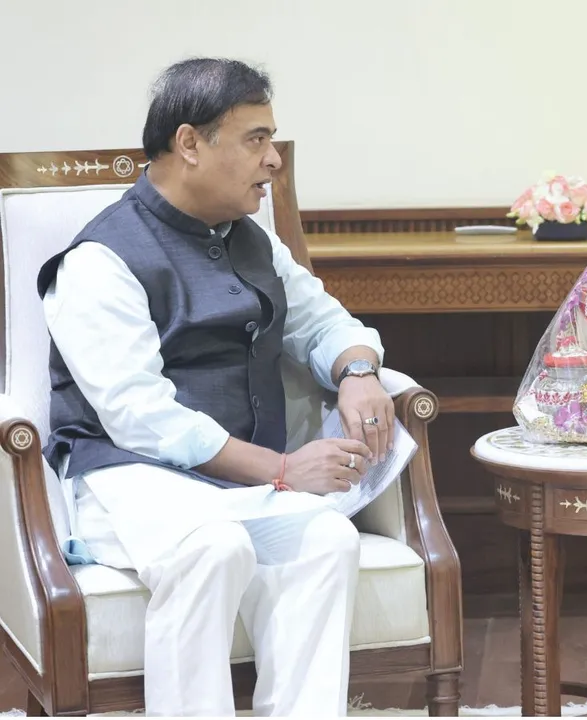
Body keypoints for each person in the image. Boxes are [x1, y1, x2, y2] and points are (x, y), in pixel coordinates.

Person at [37, 58, 395, 717]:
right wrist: (285, 470)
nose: (274, 161)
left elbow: (320, 319)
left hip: (237, 481)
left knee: (326, 540)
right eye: (255, 139)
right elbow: (141, 418)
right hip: (127, 476)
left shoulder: (249, 238)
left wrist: (358, 372)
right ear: (190, 144)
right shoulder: (100, 261)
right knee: (213, 545)